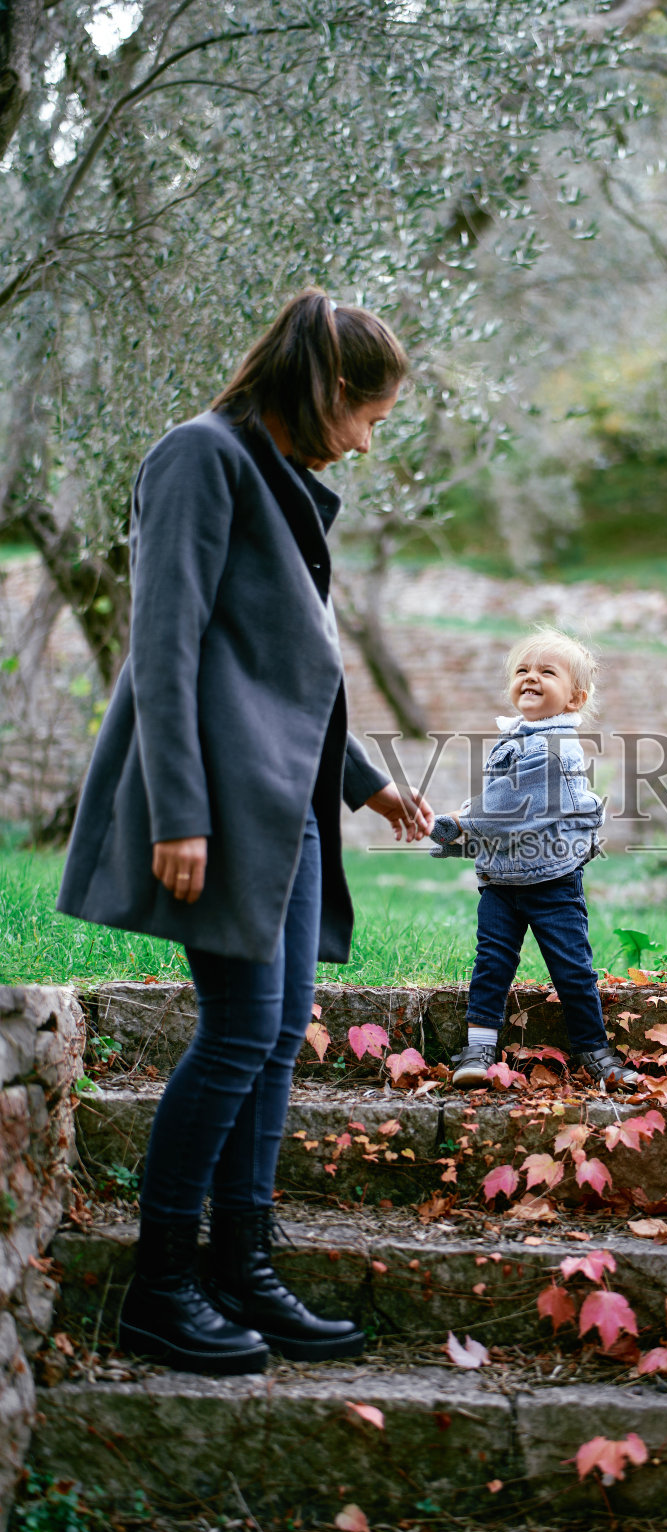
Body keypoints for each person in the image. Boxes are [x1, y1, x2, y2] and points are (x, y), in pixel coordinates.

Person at [57, 289, 433, 1376]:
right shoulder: (197, 457)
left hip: (290, 807)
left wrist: (363, 782)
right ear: (328, 390)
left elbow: (279, 666)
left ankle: (243, 1268)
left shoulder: (280, 481)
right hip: (217, 809)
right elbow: (167, 649)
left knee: (273, 1036)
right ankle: (163, 1287)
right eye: (369, 416)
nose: (366, 440)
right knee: (235, 1031)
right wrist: (177, 811)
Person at [429, 625, 639, 1094]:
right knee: (492, 962)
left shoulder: (555, 747)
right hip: (502, 881)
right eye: (522, 669)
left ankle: (594, 1050)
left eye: (547, 671)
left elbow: (511, 804)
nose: (530, 677)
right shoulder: (521, 738)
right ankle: (479, 1048)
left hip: (552, 882)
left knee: (572, 968)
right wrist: (462, 830)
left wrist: (462, 823)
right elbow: (496, 801)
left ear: (574, 698)